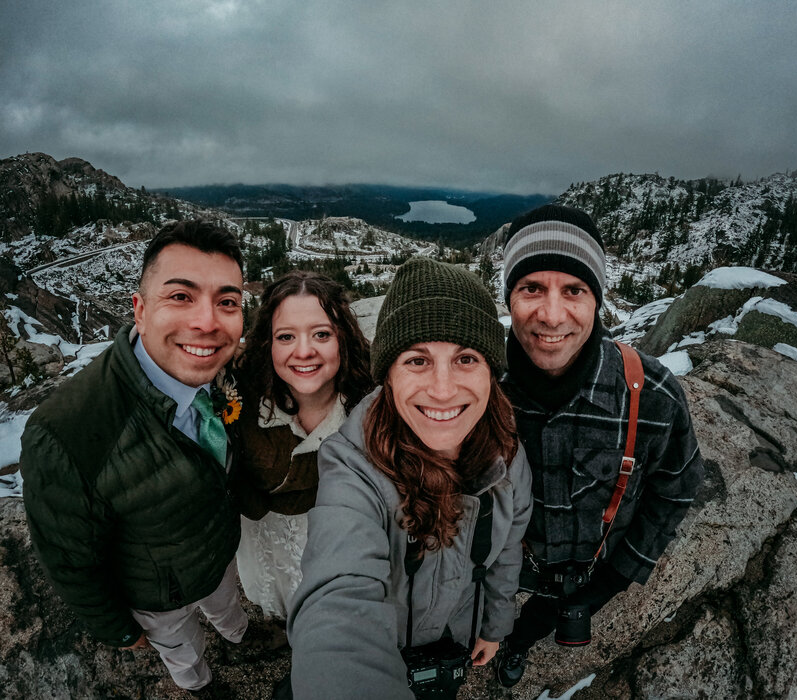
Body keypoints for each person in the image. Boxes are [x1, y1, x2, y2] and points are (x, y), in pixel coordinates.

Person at [21, 220, 261, 695]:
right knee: (182, 649)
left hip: (217, 553)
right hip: (157, 594)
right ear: (140, 309)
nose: (208, 322)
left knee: (227, 605)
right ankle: (200, 685)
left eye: (227, 302)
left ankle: (241, 634)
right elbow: (69, 559)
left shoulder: (219, 367)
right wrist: (118, 629)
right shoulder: (67, 433)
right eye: (181, 296)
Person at [287, 257, 533, 700]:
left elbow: (507, 550)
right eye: (417, 359)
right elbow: (337, 597)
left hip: (456, 637)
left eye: (466, 358)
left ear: (490, 373)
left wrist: (495, 627)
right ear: (389, 374)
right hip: (388, 648)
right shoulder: (353, 467)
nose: (442, 388)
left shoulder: (507, 452)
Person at [495, 204, 704, 688]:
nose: (551, 315)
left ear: (597, 301)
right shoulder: (477, 388)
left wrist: (617, 576)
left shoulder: (650, 393)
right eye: (531, 288)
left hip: (593, 570)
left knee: (535, 623)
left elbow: (675, 487)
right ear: (509, 298)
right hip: (501, 572)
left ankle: (520, 644)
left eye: (574, 290)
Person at [231, 270, 373, 640]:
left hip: (336, 530)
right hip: (267, 530)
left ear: (343, 339)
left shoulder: (370, 401)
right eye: (286, 336)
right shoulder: (239, 396)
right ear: (268, 344)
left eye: (321, 334)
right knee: (279, 593)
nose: (304, 350)